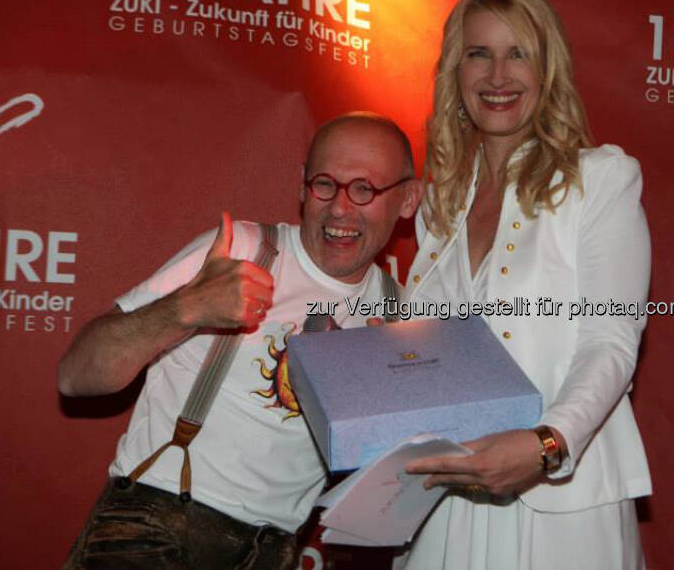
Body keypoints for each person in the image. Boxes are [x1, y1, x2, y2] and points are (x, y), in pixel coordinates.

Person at [58, 114, 421, 569]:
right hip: (155, 533)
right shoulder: (240, 251)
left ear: (407, 200)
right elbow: (75, 377)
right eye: (325, 184)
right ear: (302, 186)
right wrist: (185, 308)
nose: (340, 209)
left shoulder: (402, 315)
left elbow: (395, 476)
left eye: (365, 188)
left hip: (273, 553)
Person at [398, 0, 652, 569]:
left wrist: (545, 445)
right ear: (455, 73)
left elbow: (611, 341)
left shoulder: (600, 180)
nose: (498, 75)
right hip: (447, 497)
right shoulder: (440, 204)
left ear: (547, 71)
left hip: (560, 497)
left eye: (519, 53)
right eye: (478, 53)